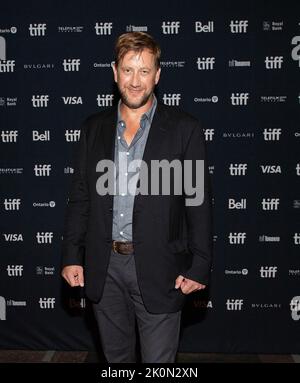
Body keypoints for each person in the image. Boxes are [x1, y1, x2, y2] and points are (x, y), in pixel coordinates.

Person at [61, 32, 212, 363]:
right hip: (105, 267)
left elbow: (197, 200)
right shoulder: (93, 128)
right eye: (128, 70)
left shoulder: (185, 129)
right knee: (116, 362)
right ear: (115, 72)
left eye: (144, 71)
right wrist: (72, 254)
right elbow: (82, 197)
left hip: (161, 267)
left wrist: (200, 264)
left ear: (157, 75)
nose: (135, 81)